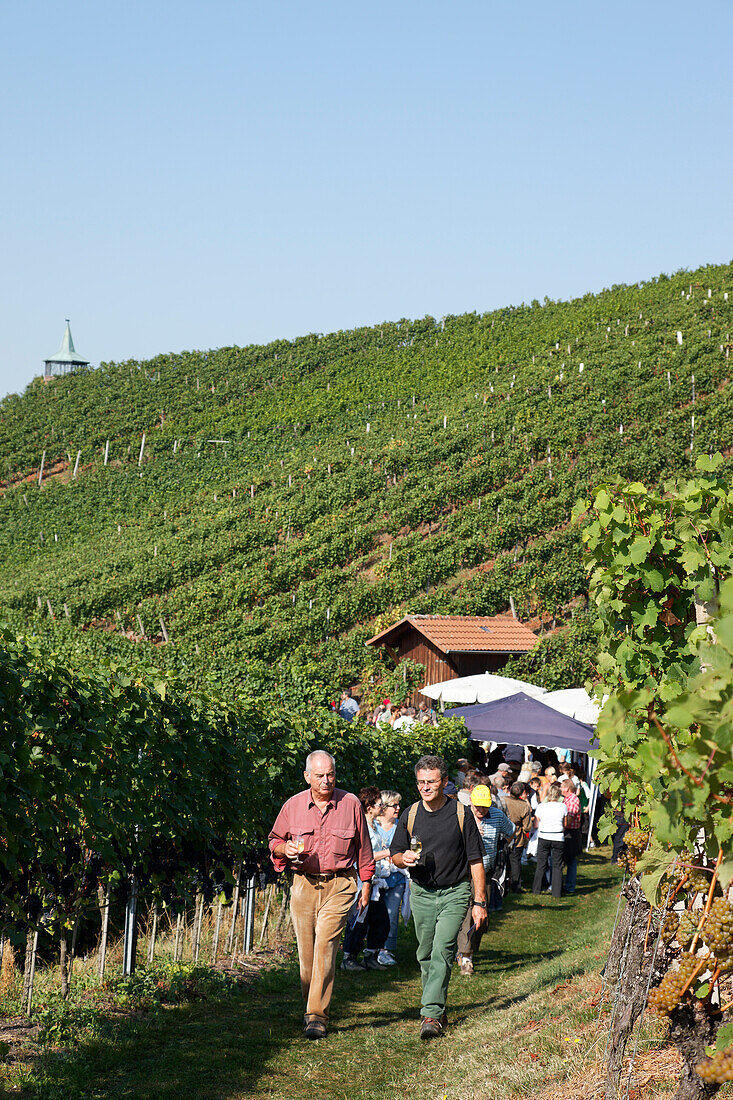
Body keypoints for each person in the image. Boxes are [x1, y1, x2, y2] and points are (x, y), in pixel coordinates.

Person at [268, 750, 375, 1040]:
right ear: (307, 777)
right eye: (320, 776)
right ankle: (311, 1005)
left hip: (340, 885)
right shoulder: (292, 806)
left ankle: (317, 1015)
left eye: (331, 774)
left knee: (326, 946)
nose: (327, 780)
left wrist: (366, 884)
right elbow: (275, 840)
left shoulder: (350, 803)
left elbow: (364, 848)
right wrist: (284, 850)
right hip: (303, 884)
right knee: (307, 954)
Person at [390, 755, 487, 1039]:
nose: (425, 787)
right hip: (421, 892)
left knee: (444, 949)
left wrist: (479, 902)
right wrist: (402, 858)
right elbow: (395, 853)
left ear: (445, 782)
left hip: (455, 892)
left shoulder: (462, 813)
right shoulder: (410, 814)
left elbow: (476, 861)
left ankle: (430, 1013)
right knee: (425, 953)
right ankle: (438, 1005)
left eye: (431, 782)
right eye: (421, 782)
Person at [456, 783, 514, 975]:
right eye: (477, 806)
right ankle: (466, 957)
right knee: (466, 915)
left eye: (484, 806)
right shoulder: (462, 816)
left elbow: (512, 830)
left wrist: (500, 846)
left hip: (487, 873)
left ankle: (469, 949)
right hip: (464, 874)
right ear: (471, 802)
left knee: (482, 918)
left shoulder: (496, 816)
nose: (481, 810)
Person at [342, 788, 391, 971]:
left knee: (380, 921)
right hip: (363, 881)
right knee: (359, 920)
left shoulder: (374, 826)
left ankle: (371, 955)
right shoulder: (361, 827)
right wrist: (386, 853)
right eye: (379, 804)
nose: (382, 807)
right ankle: (349, 958)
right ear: (369, 806)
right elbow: (364, 855)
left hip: (376, 881)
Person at [373, 790, 406, 965]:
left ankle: (385, 949)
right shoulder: (372, 827)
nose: (398, 808)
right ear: (384, 808)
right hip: (375, 879)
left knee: (392, 914)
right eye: (394, 805)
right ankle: (372, 948)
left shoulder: (400, 827)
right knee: (374, 915)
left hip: (396, 878)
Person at [531, 783, 567, 899]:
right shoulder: (563, 806)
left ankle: (536, 889)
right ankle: (557, 892)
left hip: (544, 836)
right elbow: (565, 824)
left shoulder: (541, 806)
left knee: (541, 864)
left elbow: (536, 824)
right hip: (558, 836)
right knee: (557, 865)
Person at [503, 781, 533, 892]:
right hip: (517, 836)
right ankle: (515, 886)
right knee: (515, 862)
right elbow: (527, 826)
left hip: (503, 835)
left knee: (504, 861)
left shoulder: (503, 800)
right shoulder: (523, 805)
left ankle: (503, 885)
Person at [561, 778, 582, 895]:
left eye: (561, 787)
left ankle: (570, 886)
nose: (560, 789)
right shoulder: (566, 799)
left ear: (567, 788)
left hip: (571, 833)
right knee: (567, 860)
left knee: (571, 860)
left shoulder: (573, 800)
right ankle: (565, 884)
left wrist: (562, 826)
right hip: (568, 832)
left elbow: (570, 817)